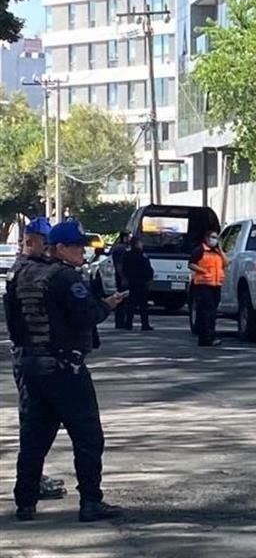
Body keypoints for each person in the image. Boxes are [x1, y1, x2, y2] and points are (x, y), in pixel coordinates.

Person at [4, 221, 125, 522]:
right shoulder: (64, 277)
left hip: (30, 365)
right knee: (88, 436)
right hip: (64, 368)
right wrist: (107, 305)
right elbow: (87, 314)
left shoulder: (21, 274)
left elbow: (14, 323)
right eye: (76, 246)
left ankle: (25, 502)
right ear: (59, 248)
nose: (82, 251)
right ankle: (91, 501)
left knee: (34, 437)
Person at [6, 217, 68, 502]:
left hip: (28, 354)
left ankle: (33, 478)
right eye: (45, 243)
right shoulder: (26, 270)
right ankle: (31, 481)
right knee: (35, 423)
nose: (48, 248)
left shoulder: (24, 268)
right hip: (31, 354)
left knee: (38, 423)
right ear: (29, 241)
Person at [189, 230, 225, 347]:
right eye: (213, 237)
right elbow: (191, 264)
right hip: (203, 285)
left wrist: (221, 251)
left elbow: (226, 263)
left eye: (216, 238)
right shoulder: (200, 250)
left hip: (216, 285)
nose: (215, 240)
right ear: (207, 238)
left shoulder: (217, 252)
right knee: (207, 312)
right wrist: (203, 271)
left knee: (211, 312)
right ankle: (208, 337)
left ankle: (206, 338)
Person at [121, 236, 154, 331]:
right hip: (141, 282)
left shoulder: (127, 255)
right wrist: (149, 279)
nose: (141, 245)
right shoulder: (142, 255)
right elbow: (147, 269)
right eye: (140, 243)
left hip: (131, 281)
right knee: (143, 305)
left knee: (131, 304)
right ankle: (145, 324)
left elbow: (124, 268)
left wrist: (125, 279)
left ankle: (128, 324)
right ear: (136, 244)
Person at [111, 232, 131, 329]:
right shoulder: (121, 249)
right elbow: (119, 265)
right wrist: (123, 278)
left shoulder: (117, 248)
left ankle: (120, 321)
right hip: (122, 277)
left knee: (121, 299)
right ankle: (120, 322)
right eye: (128, 237)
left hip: (119, 276)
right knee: (123, 299)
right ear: (124, 238)